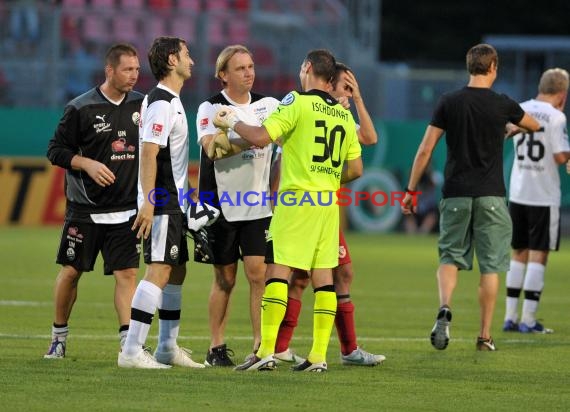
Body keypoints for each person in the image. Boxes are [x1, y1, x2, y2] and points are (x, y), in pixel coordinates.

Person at [213, 49, 363, 372]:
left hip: (297, 202)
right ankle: (319, 357)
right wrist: (327, 177)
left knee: (276, 272)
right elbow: (356, 168)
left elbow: (260, 137)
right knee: (323, 277)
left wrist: (232, 120)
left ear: (307, 68)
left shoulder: (296, 102)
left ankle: (265, 350)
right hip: (327, 205)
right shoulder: (342, 114)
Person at [401, 43, 539, 352]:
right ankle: (484, 335)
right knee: (490, 267)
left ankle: (445, 306)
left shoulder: (449, 101)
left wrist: (410, 191)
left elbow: (425, 149)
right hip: (491, 195)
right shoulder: (503, 103)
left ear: (469, 67)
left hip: (456, 194)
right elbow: (534, 124)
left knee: (450, 257)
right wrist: (509, 129)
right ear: (494, 68)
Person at [273, 62, 385, 366]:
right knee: (301, 277)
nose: (348, 93)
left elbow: (370, 138)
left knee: (339, 273)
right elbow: (280, 158)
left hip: (321, 205)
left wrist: (358, 101)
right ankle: (281, 346)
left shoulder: (338, 114)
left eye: (352, 88)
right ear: (329, 83)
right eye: (345, 87)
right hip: (301, 202)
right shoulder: (304, 106)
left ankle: (347, 349)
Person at [44, 43, 143, 359]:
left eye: (137, 69)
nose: (134, 76)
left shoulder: (144, 105)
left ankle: (128, 345)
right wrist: (85, 163)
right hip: (85, 210)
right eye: (128, 69)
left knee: (127, 274)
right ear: (110, 70)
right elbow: (55, 150)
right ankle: (58, 338)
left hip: (127, 211)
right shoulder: (80, 108)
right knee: (71, 272)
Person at [118, 36, 203, 369]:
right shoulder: (161, 103)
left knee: (177, 270)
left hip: (175, 201)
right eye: (186, 54)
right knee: (159, 270)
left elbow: (173, 157)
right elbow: (150, 153)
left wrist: (192, 195)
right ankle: (131, 351)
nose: (191, 60)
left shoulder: (171, 101)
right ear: (171, 60)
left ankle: (167, 347)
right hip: (162, 201)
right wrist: (150, 203)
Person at [195, 45, 280, 367]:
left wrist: (244, 134)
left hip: (259, 205)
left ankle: (261, 347)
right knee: (225, 280)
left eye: (251, 66)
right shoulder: (210, 107)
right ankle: (216, 347)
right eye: (241, 68)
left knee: (259, 274)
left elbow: (282, 140)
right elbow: (211, 149)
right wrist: (256, 138)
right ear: (223, 75)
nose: (249, 72)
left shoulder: (268, 105)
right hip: (221, 204)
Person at [503, 68, 570, 334]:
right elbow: (559, 156)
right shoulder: (556, 116)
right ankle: (529, 320)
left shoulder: (520, 108)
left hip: (519, 191)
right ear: (562, 94)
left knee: (518, 252)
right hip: (543, 195)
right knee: (538, 254)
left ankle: (510, 317)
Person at [403, 164, 439, 234]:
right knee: (407, 210)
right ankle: (412, 233)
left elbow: (436, 181)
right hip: (416, 210)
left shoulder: (432, 178)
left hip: (427, 210)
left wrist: (428, 174)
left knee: (433, 213)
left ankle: (423, 231)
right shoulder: (412, 183)